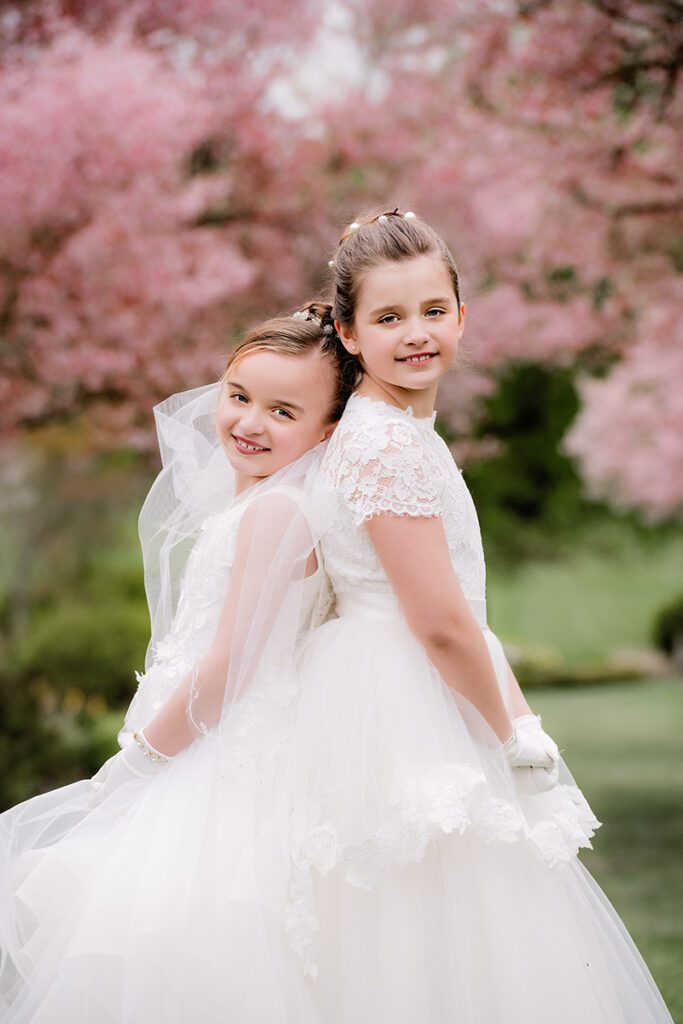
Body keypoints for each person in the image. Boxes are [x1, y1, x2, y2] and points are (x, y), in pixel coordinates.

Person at [282, 209, 676, 1022]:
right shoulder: (384, 444)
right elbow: (440, 622)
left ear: (462, 316)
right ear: (349, 335)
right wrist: (513, 733)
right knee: (432, 926)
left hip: (395, 687)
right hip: (401, 698)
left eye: (432, 311)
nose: (415, 333)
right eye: (388, 318)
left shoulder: (397, 432)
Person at [0, 311, 355, 1022]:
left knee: (180, 950)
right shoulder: (252, 501)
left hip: (218, 766)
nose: (248, 421)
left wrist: (139, 761)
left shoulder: (277, 513)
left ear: (325, 431)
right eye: (238, 394)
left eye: (282, 411)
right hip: (203, 750)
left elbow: (228, 665)